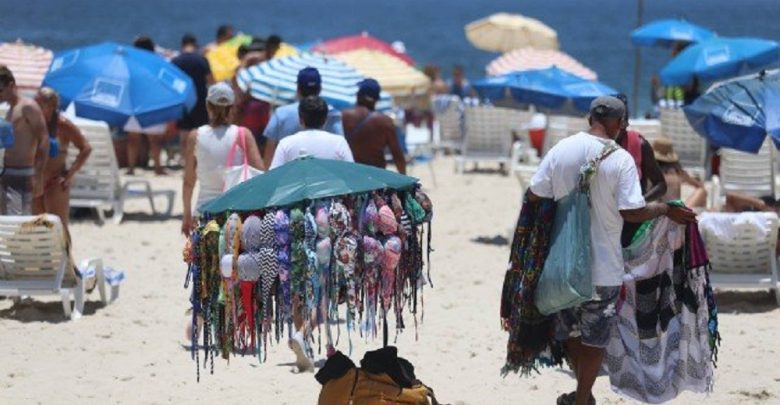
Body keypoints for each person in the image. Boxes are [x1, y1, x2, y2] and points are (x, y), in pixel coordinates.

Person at [523, 96, 696, 405]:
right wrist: (664, 209)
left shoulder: (561, 149)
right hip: (603, 268)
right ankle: (582, 399)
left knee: (571, 334)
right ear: (619, 123)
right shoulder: (620, 159)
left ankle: (583, 397)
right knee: (595, 338)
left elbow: (534, 194)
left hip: (562, 266)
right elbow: (632, 212)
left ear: (590, 118)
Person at [181, 83, 264, 235]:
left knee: (204, 251)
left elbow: (188, 182)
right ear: (232, 107)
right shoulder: (243, 135)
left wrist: (187, 215)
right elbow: (261, 175)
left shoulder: (195, 136)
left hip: (204, 214)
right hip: (236, 215)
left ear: (208, 106)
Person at [32, 87, 92, 232]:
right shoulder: (33, 124)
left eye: (39, 105)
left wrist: (70, 173)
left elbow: (86, 148)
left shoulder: (63, 125)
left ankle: (65, 249)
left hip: (55, 181)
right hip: (35, 181)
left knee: (60, 228)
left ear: (51, 106)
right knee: (37, 227)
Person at [615, 94, 667, 246]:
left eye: (623, 123)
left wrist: (641, 201)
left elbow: (660, 184)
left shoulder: (639, 145)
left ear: (626, 122)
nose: (619, 129)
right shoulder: (597, 145)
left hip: (631, 223)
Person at [262, 67, 344, 164]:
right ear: (320, 89)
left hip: (287, 172)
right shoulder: (333, 114)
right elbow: (341, 153)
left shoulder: (280, 114)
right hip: (323, 172)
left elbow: (269, 155)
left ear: (298, 89)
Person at [0, 65, 48, 215]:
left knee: (17, 221)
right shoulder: (11, 110)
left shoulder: (28, 107)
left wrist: (39, 175)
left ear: (11, 85)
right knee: (6, 221)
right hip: (7, 173)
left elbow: (44, 139)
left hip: (22, 174)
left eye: (0, 90)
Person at [269, 96, 353, 170]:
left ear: (300, 119)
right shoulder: (339, 143)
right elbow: (352, 172)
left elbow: (273, 175)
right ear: (325, 120)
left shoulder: (286, 144)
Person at [342, 79, 406, 173]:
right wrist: (404, 177)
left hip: (350, 174)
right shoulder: (385, 122)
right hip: (376, 176)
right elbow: (397, 155)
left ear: (359, 95)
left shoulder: (344, 117)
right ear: (376, 99)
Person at [126, 36, 168, 175]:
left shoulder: (132, 62)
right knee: (154, 140)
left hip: (134, 102)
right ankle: (158, 168)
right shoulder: (157, 62)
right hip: (152, 103)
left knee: (133, 139)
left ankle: (131, 168)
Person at [172, 34, 214, 161]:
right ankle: (199, 161)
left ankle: (186, 162)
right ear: (195, 44)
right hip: (200, 101)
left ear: (182, 45)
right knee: (201, 134)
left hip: (183, 102)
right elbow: (211, 81)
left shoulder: (176, 61)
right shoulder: (202, 59)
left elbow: (172, 84)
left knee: (184, 134)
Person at [653, 137, 707, 208]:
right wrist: (688, 178)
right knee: (702, 191)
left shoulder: (651, 173)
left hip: (657, 210)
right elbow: (699, 186)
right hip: (677, 211)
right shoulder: (677, 173)